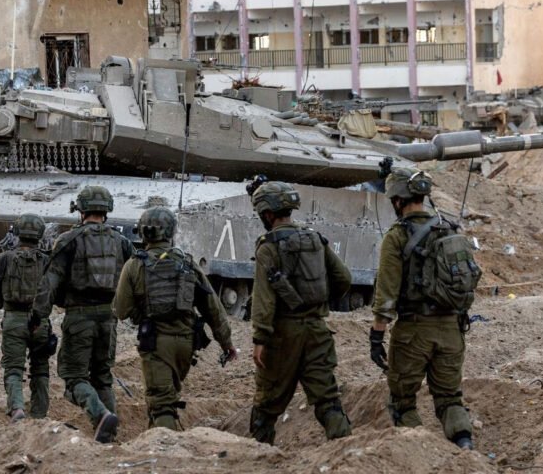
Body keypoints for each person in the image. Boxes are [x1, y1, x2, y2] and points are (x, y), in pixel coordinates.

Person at [369, 167, 475, 450]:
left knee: (402, 403)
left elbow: (386, 294)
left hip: (413, 332)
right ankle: (464, 447)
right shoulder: (449, 228)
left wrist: (377, 336)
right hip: (452, 330)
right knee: (450, 397)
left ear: (398, 200)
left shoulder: (397, 236)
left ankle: (425, 454)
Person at [248, 180, 352, 445]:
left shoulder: (268, 247)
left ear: (267, 214)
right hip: (318, 332)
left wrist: (260, 338)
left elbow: (264, 299)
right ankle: (347, 452)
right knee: (328, 400)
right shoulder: (315, 239)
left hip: (282, 337)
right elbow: (343, 278)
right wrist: (318, 303)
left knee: (266, 406)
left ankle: (256, 457)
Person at [113, 206, 237, 430]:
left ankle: (164, 454)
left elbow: (121, 310)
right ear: (171, 232)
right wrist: (227, 344)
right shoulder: (188, 263)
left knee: (161, 403)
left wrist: (139, 313)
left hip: (155, 344)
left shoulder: (134, 265)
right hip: (186, 345)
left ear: (142, 232)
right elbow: (213, 309)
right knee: (167, 397)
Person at [30, 186, 133, 443]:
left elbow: (50, 282)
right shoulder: (122, 243)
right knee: (103, 378)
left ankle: (100, 416)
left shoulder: (69, 240)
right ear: (106, 211)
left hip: (79, 318)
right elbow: (132, 279)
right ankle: (109, 434)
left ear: (81, 210)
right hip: (109, 320)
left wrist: (38, 316)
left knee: (74, 378)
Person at [0, 214, 53, 422]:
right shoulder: (46, 260)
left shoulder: (4, 259)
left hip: (13, 320)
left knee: (13, 369)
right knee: (41, 369)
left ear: (17, 233)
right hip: (40, 322)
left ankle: (16, 408)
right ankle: (40, 414)